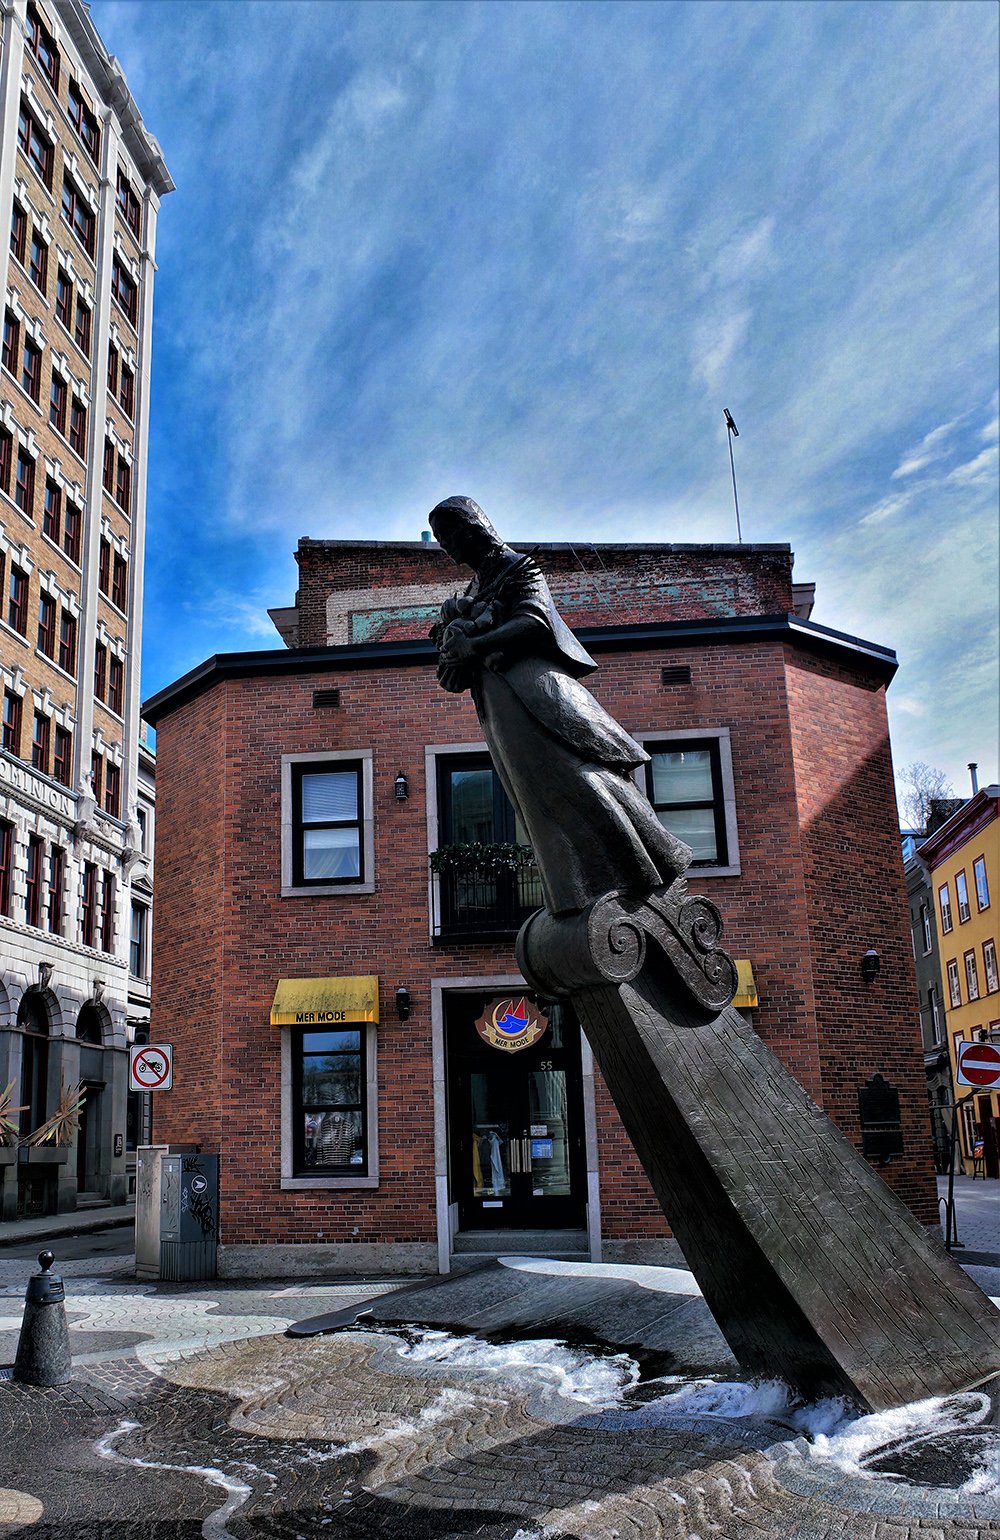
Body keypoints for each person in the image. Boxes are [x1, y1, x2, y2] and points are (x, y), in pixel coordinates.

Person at [428, 496, 691, 916]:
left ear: (473, 526)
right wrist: (454, 662)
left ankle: (646, 866)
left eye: (447, 533)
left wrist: (474, 645)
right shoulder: (472, 589)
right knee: (534, 796)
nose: (444, 544)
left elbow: (535, 621)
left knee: (575, 778)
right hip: (497, 704)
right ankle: (571, 896)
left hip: (536, 692)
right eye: (438, 537)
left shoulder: (519, 567)